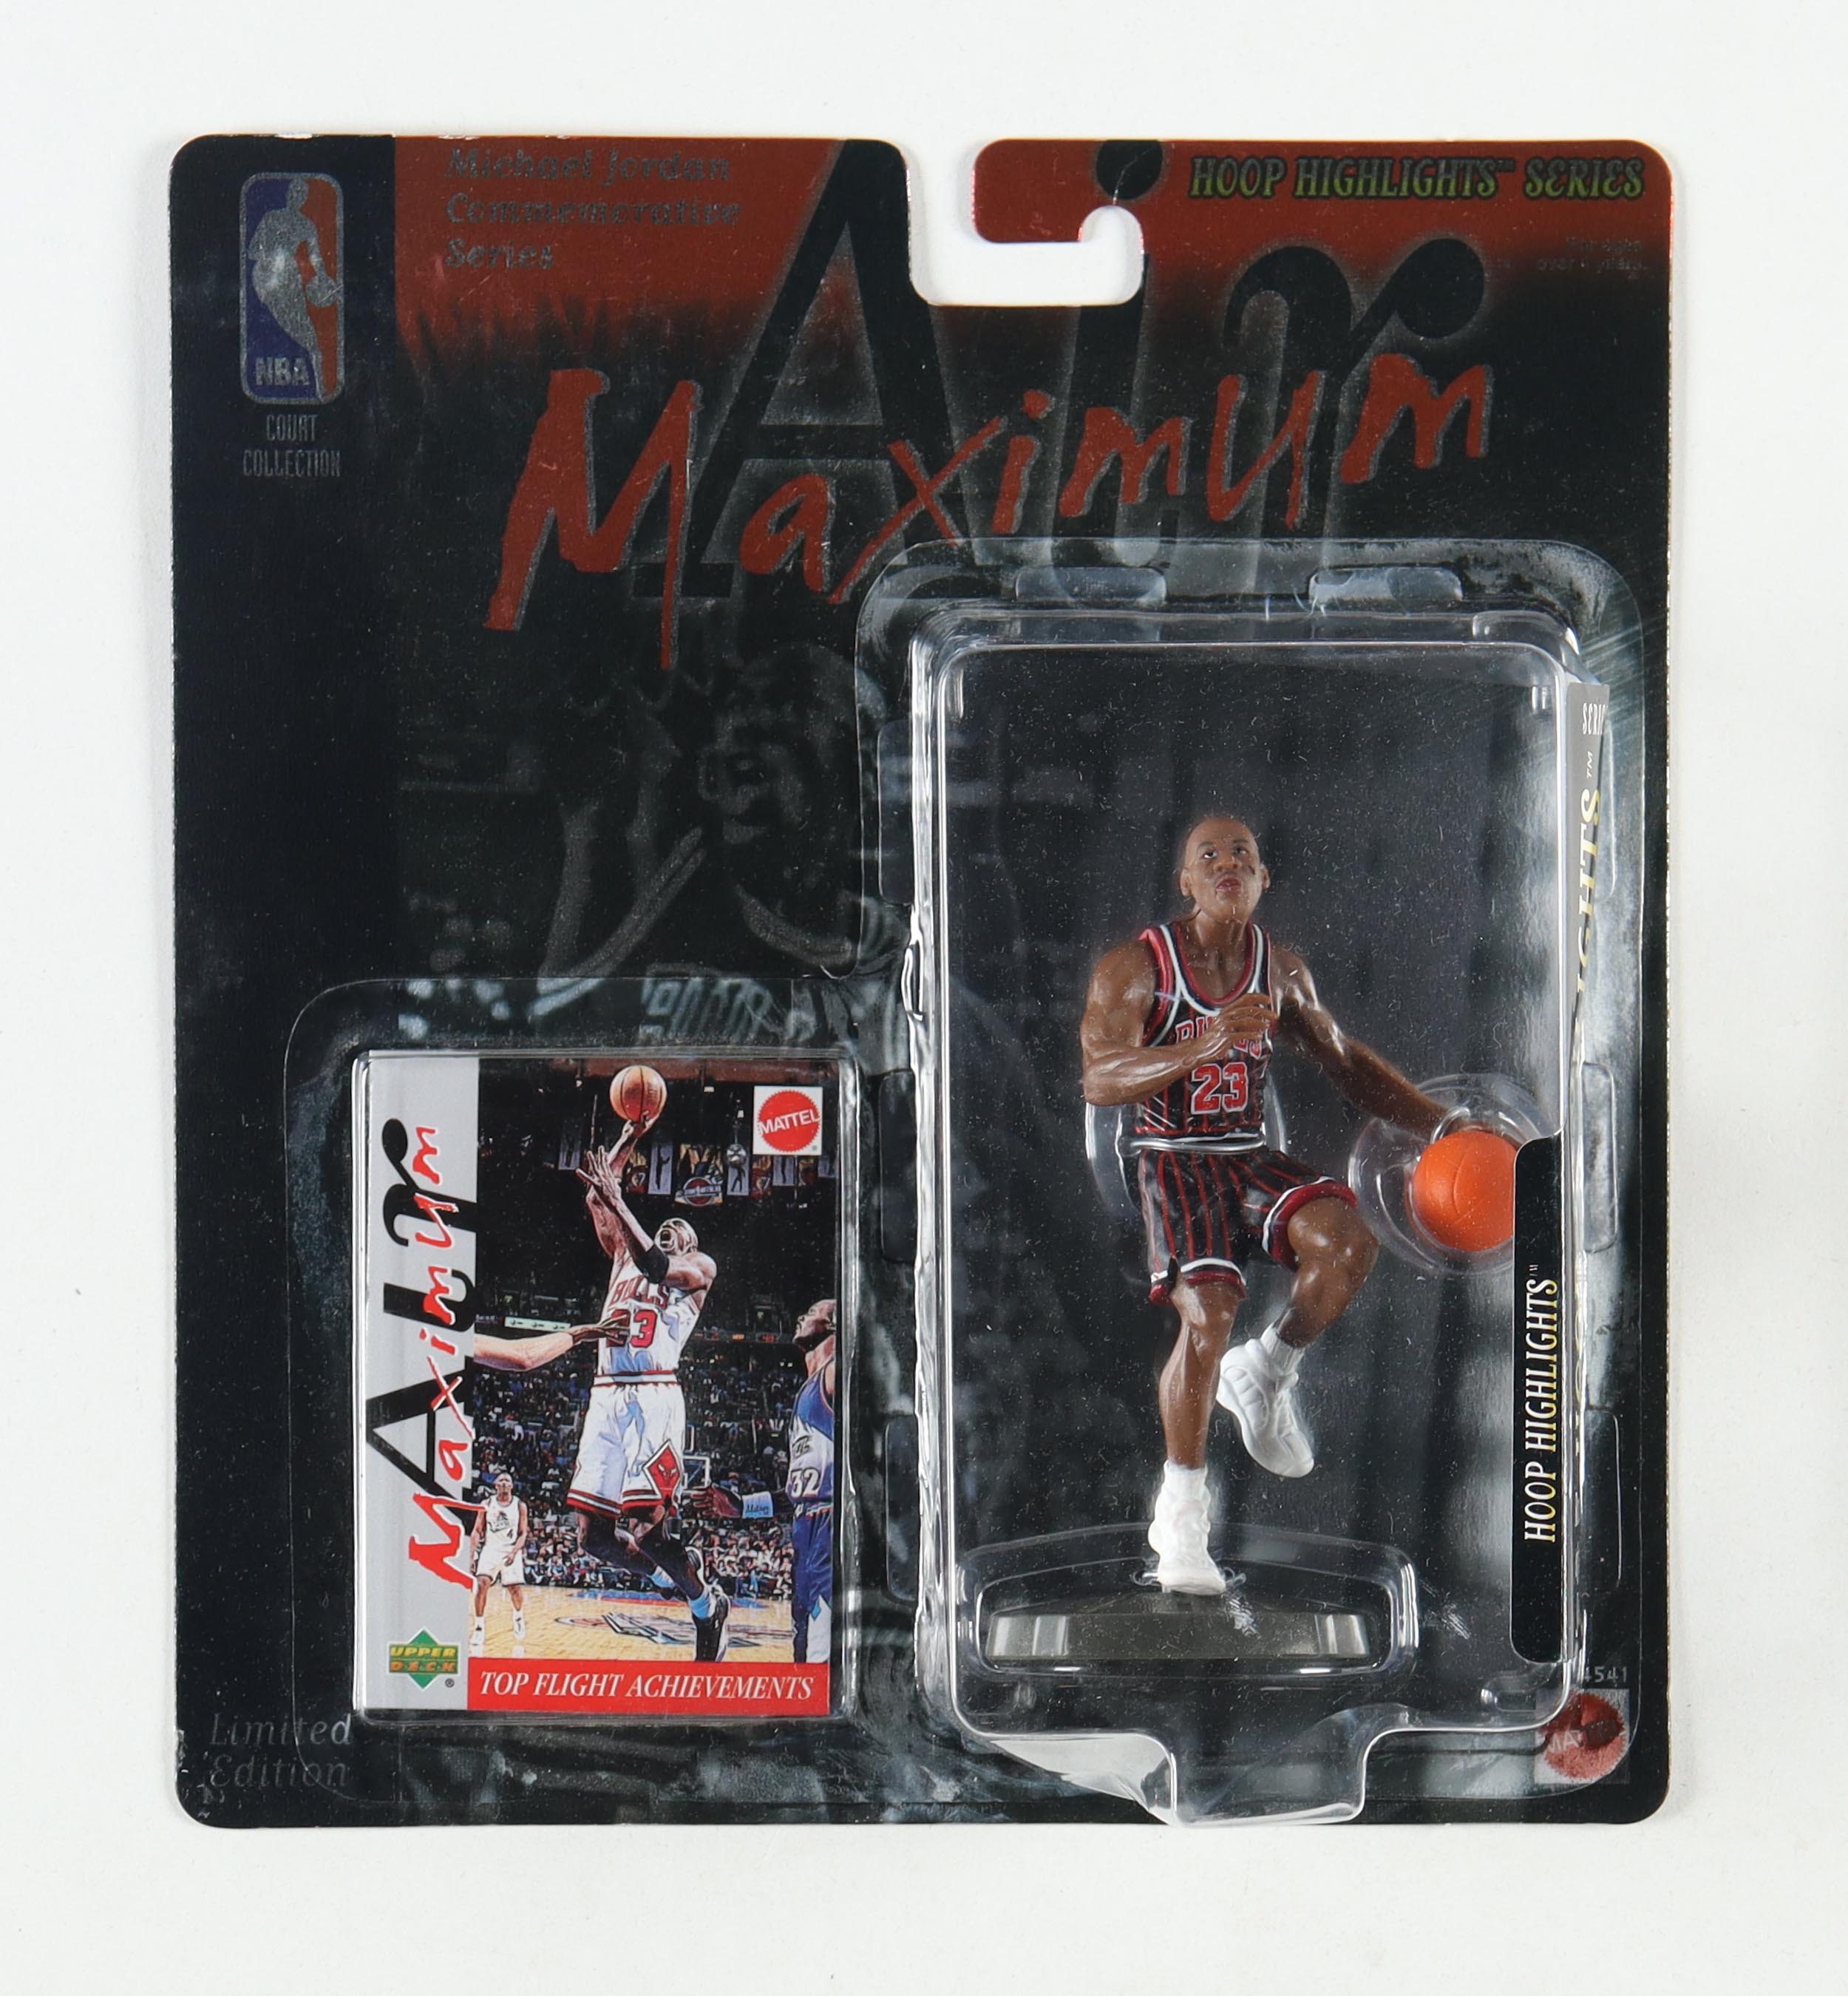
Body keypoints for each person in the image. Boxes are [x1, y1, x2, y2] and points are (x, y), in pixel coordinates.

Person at [1079, 815, 1451, 1595]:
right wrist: (1204, 1044)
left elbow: (1345, 1063)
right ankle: (1181, 1517)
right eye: (1208, 855)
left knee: (1347, 1243)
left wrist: (1442, 1126)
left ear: (1262, 879)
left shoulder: (1278, 969)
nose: (1227, 864)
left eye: (1242, 854)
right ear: (1185, 881)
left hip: (1247, 1155)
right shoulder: (1138, 967)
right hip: (1175, 1160)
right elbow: (1101, 1078)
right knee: (1209, 1316)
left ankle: (1270, 1367)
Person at [565, 1131, 733, 1660]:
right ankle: (667, 1576)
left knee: (647, 1529)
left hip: (653, 1396)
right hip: (605, 1395)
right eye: (664, 1225)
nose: (669, 1227)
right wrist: (630, 1134)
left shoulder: (699, 1269)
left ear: (691, 1242)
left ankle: (706, 1605)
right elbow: (598, 1196)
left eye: (678, 1227)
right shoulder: (622, 1255)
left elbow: (656, 1266)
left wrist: (620, 1203)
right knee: (592, 1538)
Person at [246, 177, 339, 396]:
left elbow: (315, 257)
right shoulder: (272, 218)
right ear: (288, 194)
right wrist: (270, 257)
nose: (295, 197)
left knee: (308, 335)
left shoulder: (306, 225)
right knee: (293, 328)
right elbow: (252, 251)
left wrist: (323, 278)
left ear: (303, 199)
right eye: (293, 192)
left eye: (300, 194)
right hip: (269, 279)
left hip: (288, 279)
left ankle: (320, 387)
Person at [785, 1299, 836, 1666]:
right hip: (804, 1523)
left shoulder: (835, 1372)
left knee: (821, 1646)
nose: (802, 1316)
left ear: (833, 1324)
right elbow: (796, 1490)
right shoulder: (806, 1391)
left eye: (813, 1312)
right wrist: (741, 1506)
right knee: (801, 1648)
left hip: (829, 1520)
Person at [468, 1473, 529, 1656]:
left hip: (511, 1548)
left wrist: (514, 1552)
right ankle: (479, 1627)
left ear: (512, 1486)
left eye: (507, 1480)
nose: (504, 1483)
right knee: (481, 1583)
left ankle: (518, 1615)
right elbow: (477, 1530)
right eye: (500, 1480)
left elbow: (523, 1533)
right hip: (491, 1548)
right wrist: (471, 1555)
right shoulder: (487, 1504)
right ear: (495, 1485)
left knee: (515, 1589)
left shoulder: (520, 1505)